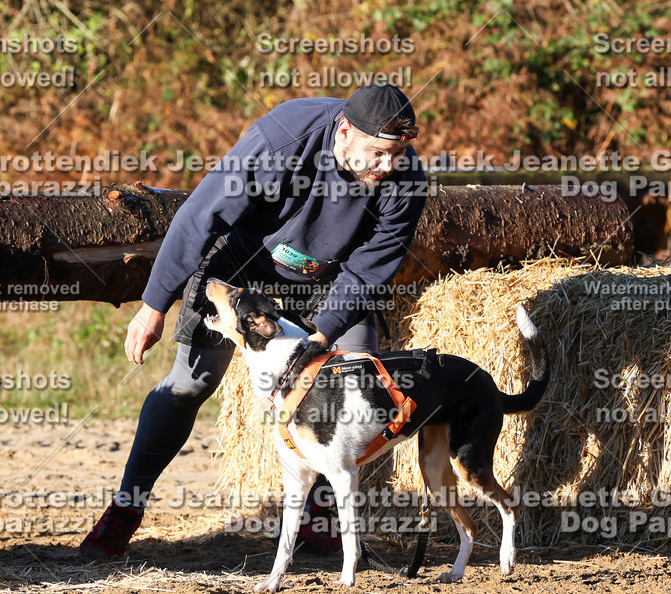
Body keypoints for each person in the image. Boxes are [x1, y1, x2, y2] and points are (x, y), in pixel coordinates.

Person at [79, 82, 428, 560]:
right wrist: (154, 304)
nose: (389, 166)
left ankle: (319, 511)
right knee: (190, 382)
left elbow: (367, 271)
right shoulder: (283, 137)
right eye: (378, 153)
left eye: (398, 154)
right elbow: (201, 217)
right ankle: (126, 507)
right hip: (242, 262)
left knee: (350, 376)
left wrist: (320, 336)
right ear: (344, 131)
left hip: (328, 277)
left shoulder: (405, 178)